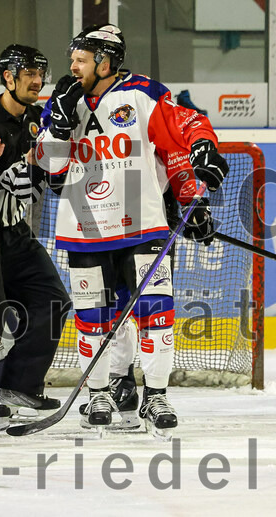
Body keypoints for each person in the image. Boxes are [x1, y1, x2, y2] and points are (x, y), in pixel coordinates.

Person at [35, 24, 228, 434]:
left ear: (105, 62)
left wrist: (199, 161)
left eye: (81, 59)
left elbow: (185, 130)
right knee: (94, 319)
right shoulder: (62, 102)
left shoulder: (143, 94)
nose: (72, 65)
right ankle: (99, 393)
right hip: (84, 231)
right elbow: (50, 169)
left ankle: (155, 397)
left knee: (156, 315)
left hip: (143, 229)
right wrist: (60, 123)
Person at [0, 45, 71, 414]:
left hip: (16, 233)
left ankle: (16, 384)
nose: (37, 80)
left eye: (41, 72)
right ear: (8, 77)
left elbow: (48, 180)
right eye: (28, 72)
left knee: (54, 302)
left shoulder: (40, 120)